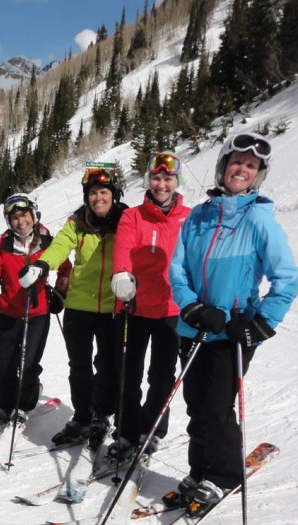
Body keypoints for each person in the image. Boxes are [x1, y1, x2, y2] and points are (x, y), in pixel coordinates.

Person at [168, 133, 298, 513]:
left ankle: (224, 475)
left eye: (251, 165)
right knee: (196, 405)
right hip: (194, 327)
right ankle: (200, 469)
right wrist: (191, 307)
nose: (242, 169)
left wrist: (261, 324)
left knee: (217, 407)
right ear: (223, 166)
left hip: (232, 332)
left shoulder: (259, 219)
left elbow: (287, 279)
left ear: (258, 174)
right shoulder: (198, 216)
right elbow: (177, 269)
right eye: (237, 161)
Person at [19, 167, 127, 449]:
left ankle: (102, 415)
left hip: (113, 306)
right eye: (92, 193)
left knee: (108, 366)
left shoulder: (126, 220)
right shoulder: (77, 222)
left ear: (114, 195)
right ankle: (82, 417)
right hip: (79, 306)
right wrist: (43, 264)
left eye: (103, 192)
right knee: (79, 366)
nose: (98, 198)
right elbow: (60, 246)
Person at [106, 152, 191, 463]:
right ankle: (126, 432)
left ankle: (153, 429)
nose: (161, 184)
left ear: (177, 182)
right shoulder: (133, 216)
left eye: (168, 178)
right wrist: (121, 274)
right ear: (148, 180)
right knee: (128, 374)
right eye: (156, 177)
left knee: (162, 375)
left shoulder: (189, 218)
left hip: (171, 309)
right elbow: (123, 248)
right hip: (134, 305)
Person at [0, 193, 68, 425]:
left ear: (33, 215)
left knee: (29, 364)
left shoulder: (46, 241)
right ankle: (4, 405)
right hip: (7, 313)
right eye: (14, 218)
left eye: (24, 215)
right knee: (6, 364)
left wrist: (61, 292)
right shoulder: (2, 244)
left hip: (37, 314)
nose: (20, 222)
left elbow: (65, 267)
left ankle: (24, 405)